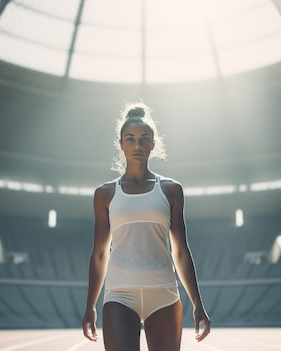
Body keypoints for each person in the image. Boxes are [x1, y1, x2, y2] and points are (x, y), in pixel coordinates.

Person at [82, 101, 210, 350]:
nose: (137, 145)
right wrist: (90, 306)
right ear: (121, 145)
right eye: (130, 139)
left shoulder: (171, 190)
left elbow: (181, 250)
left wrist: (197, 303)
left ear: (153, 143)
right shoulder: (105, 194)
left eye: (144, 139)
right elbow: (99, 253)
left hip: (163, 294)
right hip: (120, 295)